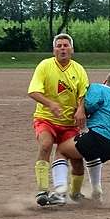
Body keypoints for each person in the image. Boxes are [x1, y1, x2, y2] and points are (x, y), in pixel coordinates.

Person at [28, 33, 89, 206]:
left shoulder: (79, 69)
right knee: (45, 145)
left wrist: (80, 109)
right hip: (46, 119)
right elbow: (33, 91)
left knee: (77, 160)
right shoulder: (45, 66)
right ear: (54, 49)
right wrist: (51, 104)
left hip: (69, 124)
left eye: (65, 45)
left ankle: (75, 194)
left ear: (72, 49)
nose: (62, 48)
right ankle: (42, 191)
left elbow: (83, 94)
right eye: (59, 46)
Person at [57, 70, 110, 203]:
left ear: (105, 81)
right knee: (91, 153)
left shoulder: (99, 88)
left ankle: (60, 192)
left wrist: (80, 109)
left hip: (102, 136)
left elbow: (90, 104)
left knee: (62, 149)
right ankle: (97, 191)